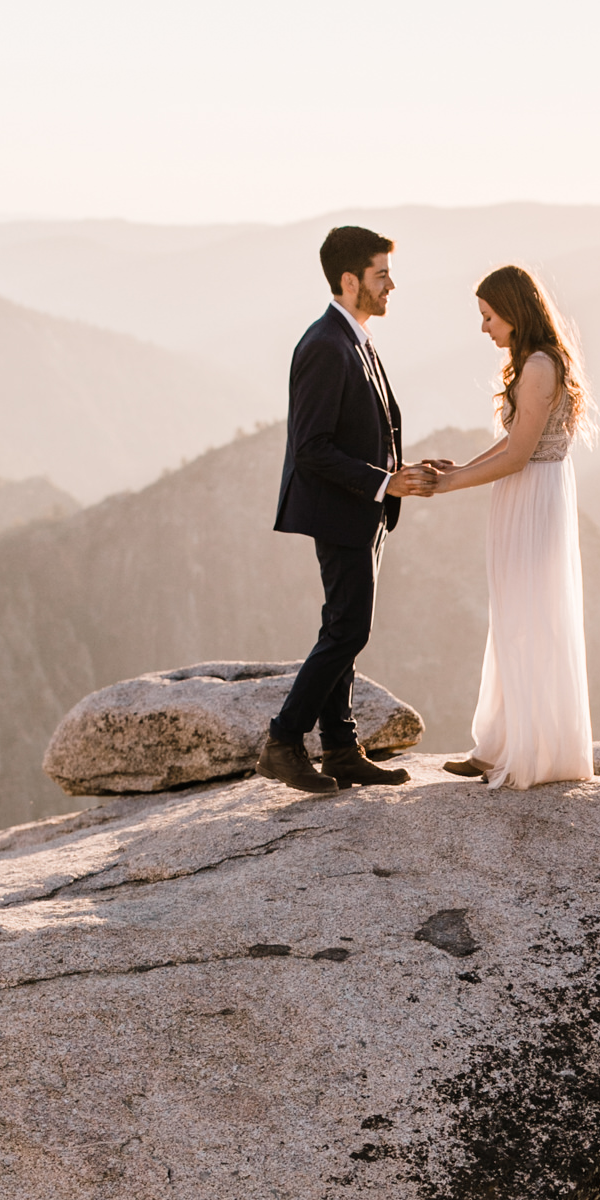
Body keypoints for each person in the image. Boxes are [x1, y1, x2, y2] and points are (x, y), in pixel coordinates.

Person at [259, 226, 434, 796]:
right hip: (342, 511)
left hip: (364, 511)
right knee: (349, 630)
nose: (392, 286)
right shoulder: (325, 344)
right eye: (382, 275)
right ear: (349, 280)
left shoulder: (352, 335)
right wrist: (385, 483)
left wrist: (397, 478)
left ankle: (339, 747)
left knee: (342, 626)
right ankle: (284, 740)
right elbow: (311, 448)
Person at [420, 266, 595, 791]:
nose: (484, 329)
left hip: (533, 498)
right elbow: (513, 440)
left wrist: (450, 486)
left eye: (489, 317)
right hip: (528, 496)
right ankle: (498, 744)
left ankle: (531, 751)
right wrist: (459, 469)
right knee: (512, 617)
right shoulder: (534, 363)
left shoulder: (540, 366)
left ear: (514, 314)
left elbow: (519, 456)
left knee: (529, 618)